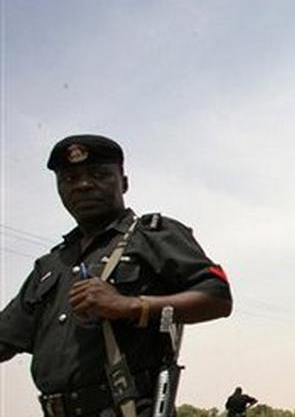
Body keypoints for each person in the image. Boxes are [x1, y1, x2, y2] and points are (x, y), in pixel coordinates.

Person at [0, 134, 233, 417]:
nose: (84, 185)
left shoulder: (151, 235)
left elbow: (217, 298)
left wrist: (132, 306)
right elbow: (6, 339)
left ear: (123, 182)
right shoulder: (51, 264)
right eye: (70, 179)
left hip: (128, 409)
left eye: (98, 174)